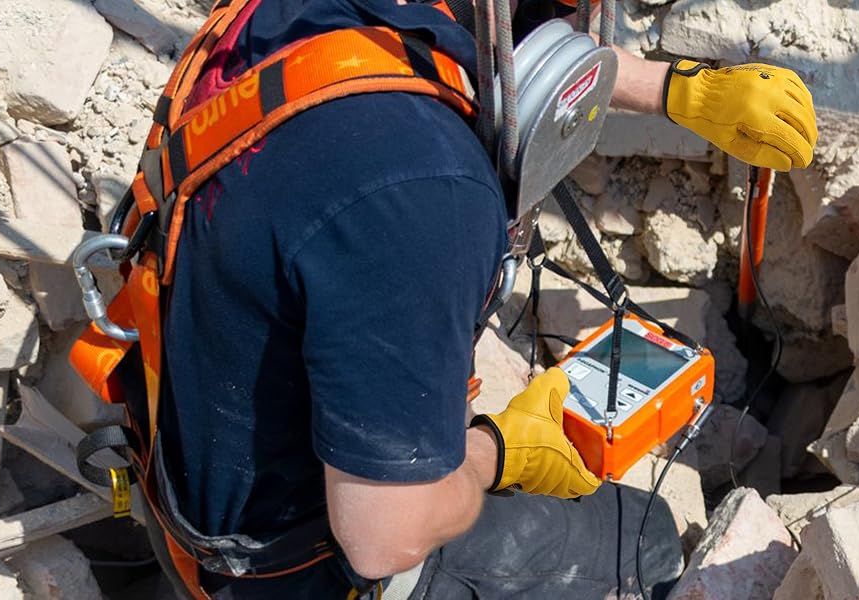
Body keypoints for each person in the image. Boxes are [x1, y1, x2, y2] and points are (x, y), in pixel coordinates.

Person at [147, 0, 818, 597]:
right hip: (294, 566)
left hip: (185, 460)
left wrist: (675, 90)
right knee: (642, 533)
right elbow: (384, 539)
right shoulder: (426, 194)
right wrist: (497, 452)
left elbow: (511, 43)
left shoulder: (290, 24)